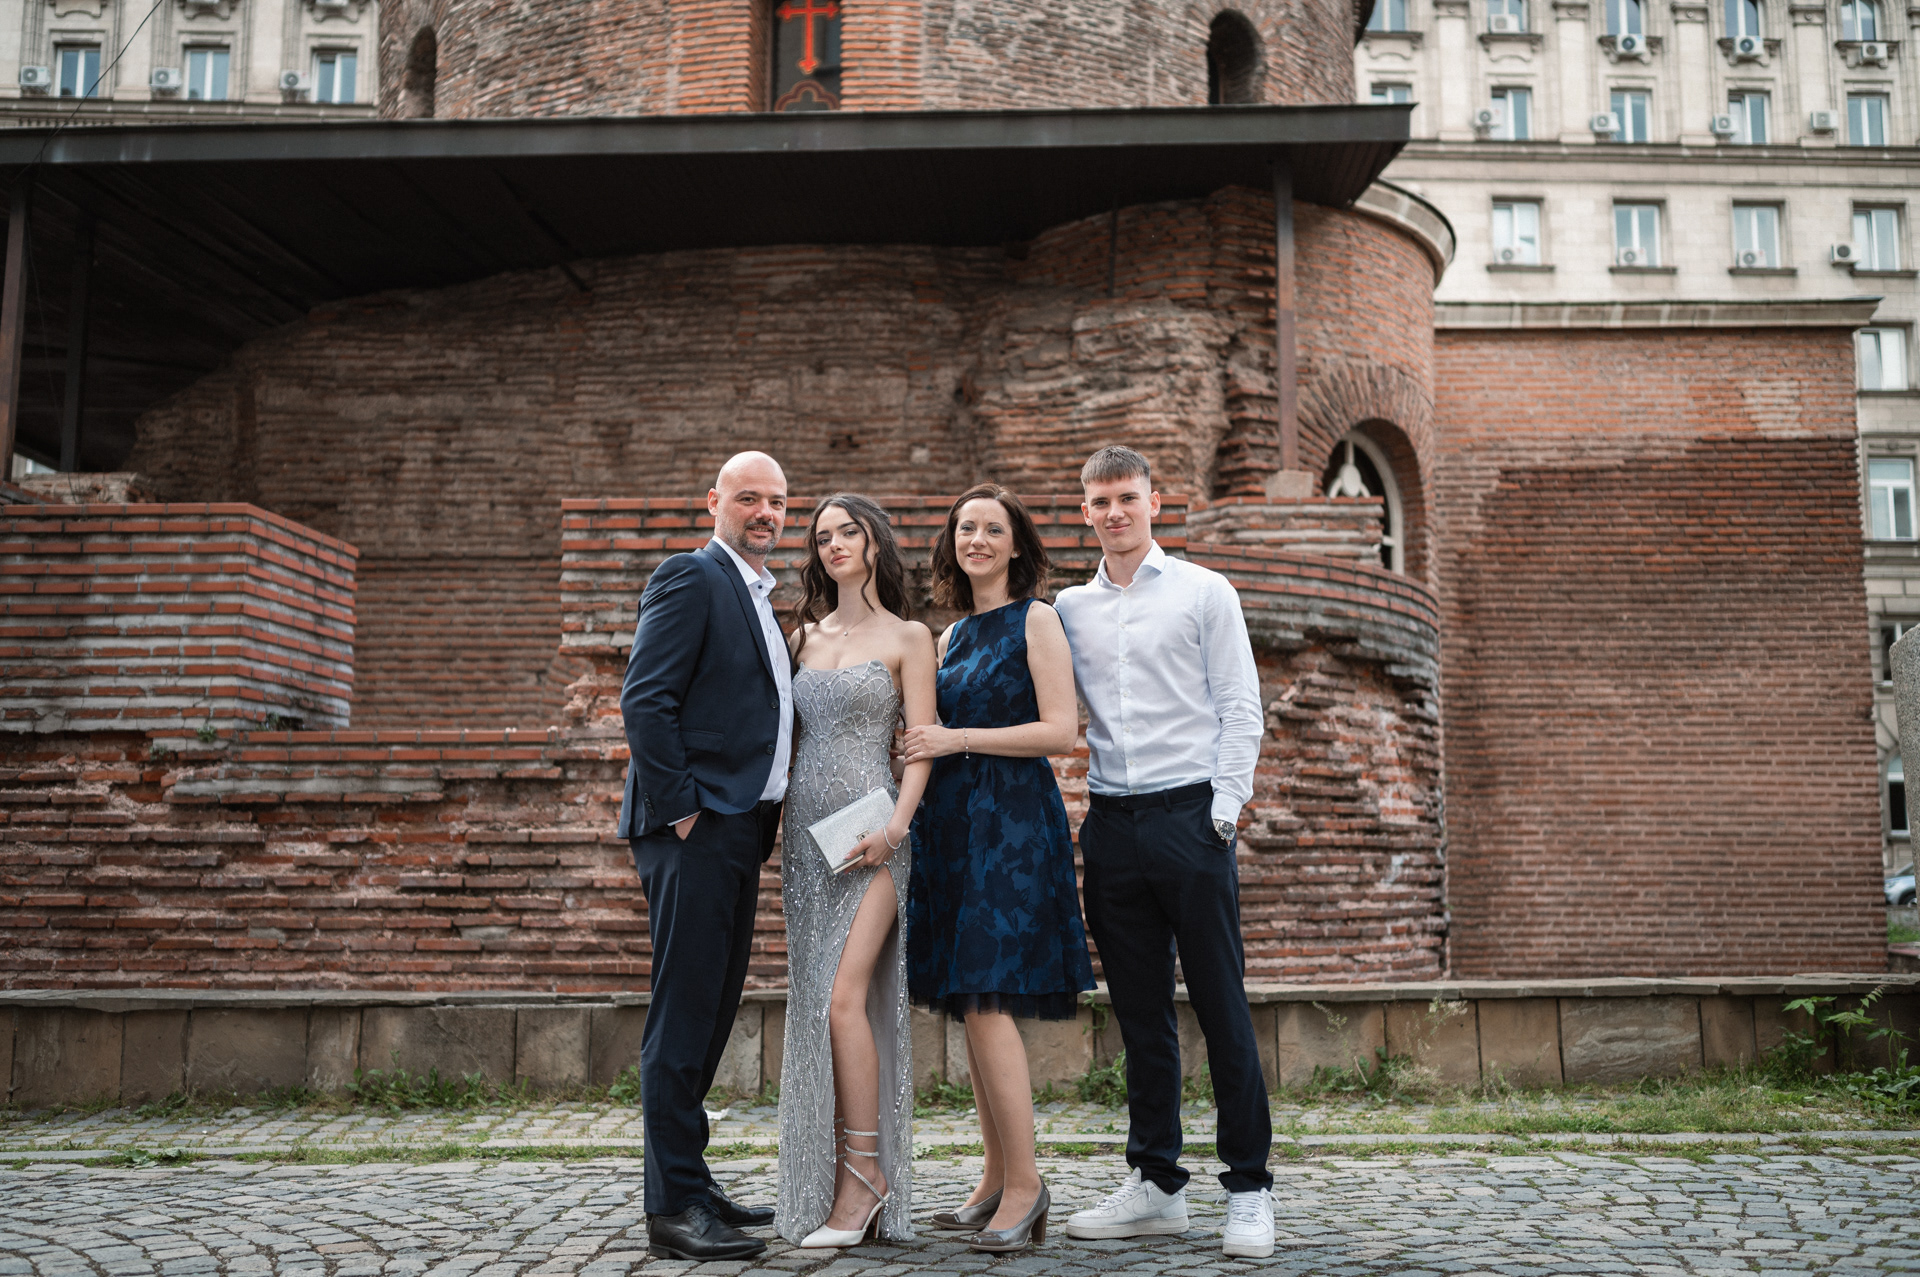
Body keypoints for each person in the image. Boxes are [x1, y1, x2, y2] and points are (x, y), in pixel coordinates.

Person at [1052, 445, 1276, 1260]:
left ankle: (1249, 1187)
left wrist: (1221, 812)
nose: (1114, 512)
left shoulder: (1204, 591)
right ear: (1085, 511)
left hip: (1191, 818)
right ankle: (1156, 1185)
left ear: (1155, 502)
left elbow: (1240, 706)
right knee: (1140, 1016)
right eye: (1100, 500)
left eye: (1127, 497)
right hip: (1111, 823)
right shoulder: (1069, 608)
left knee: (1221, 1006)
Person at [901, 482, 1096, 1255]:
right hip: (952, 826)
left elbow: (1061, 730)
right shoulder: (949, 635)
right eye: (964, 528)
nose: (976, 539)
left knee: (987, 995)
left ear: (1017, 545)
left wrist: (957, 739)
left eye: (991, 528)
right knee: (967, 997)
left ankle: (1027, 1185)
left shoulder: (1036, 619)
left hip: (1012, 824)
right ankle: (992, 1178)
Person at [617, 451, 791, 1262]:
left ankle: (691, 1179)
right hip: (697, 827)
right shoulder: (692, 576)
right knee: (683, 1013)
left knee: (713, 1007)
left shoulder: (757, 593)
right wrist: (683, 809)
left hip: (739, 827)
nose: (765, 512)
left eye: (777, 501)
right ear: (714, 501)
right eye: (749, 497)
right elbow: (644, 698)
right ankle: (673, 1209)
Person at [775, 494, 937, 1248]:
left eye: (849, 531)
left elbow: (922, 743)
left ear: (876, 543)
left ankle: (865, 1176)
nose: (834, 544)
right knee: (819, 1005)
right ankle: (827, 1175)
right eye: (822, 536)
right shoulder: (800, 636)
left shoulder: (909, 636)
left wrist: (897, 826)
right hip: (808, 844)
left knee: (846, 1000)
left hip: (879, 838)